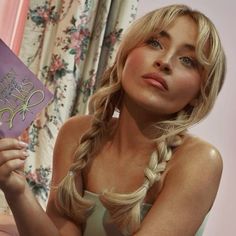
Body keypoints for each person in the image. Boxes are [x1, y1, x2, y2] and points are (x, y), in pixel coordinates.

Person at [0, 4, 226, 236]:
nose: (165, 61)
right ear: (125, 56)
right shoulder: (76, 133)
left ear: (200, 93)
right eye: (155, 43)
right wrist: (17, 191)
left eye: (188, 60)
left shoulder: (200, 161)